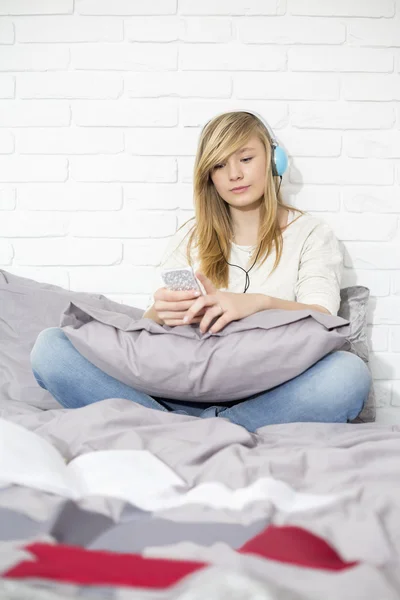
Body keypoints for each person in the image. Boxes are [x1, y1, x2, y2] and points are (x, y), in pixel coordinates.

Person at [30, 110, 371, 432]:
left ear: (273, 160)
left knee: (348, 375)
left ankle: (182, 430)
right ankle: (200, 427)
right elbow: (149, 339)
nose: (235, 174)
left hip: (268, 398)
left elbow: (323, 316)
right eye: (220, 165)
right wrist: (159, 313)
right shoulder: (190, 237)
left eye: (246, 159)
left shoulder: (311, 234)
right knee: (51, 348)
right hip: (175, 393)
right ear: (209, 176)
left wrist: (256, 303)